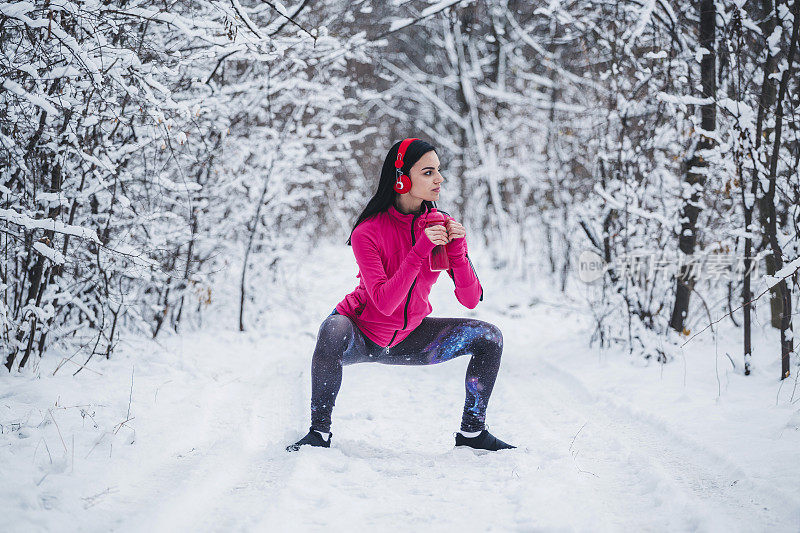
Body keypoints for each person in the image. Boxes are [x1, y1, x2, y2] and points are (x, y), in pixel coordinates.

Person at [286, 138, 514, 452]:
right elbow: (383, 303)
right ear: (402, 178)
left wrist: (458, 253)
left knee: (489, 337)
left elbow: (471, 299)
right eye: (428, 172)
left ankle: (473, 433)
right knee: (332, 329)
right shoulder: (368, 231)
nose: (439, 179)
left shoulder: (438, 224)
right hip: (362, 334)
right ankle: (318, 433)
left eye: (439, 171)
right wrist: (421, 249)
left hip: (410, 338)